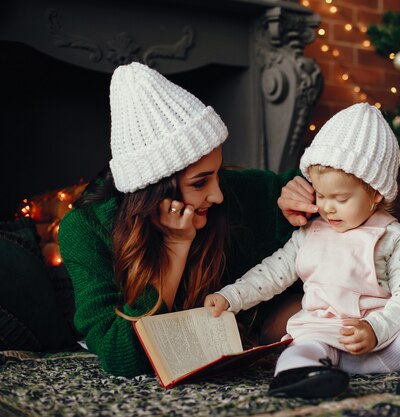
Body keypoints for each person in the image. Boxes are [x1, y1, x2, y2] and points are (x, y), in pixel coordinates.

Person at [205, 103, 400, 400]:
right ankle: (301, 376)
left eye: (340, 198)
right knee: (299, 346)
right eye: (321, 195)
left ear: (375, 192)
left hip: (382, 336)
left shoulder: (393, 236)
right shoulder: (309, 233)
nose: (327, 207)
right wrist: (230, 297)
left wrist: (375, 328)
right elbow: (272, 273)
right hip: (325, 335)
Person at [58, 62, 313, 377]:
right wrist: (176, 246)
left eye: (216, 174)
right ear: (154, 190)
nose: (217, 194)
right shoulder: (84, 229)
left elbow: (323, 180)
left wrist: (299, 192)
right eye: (199, 182)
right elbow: (121, 357)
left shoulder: (230, 194)